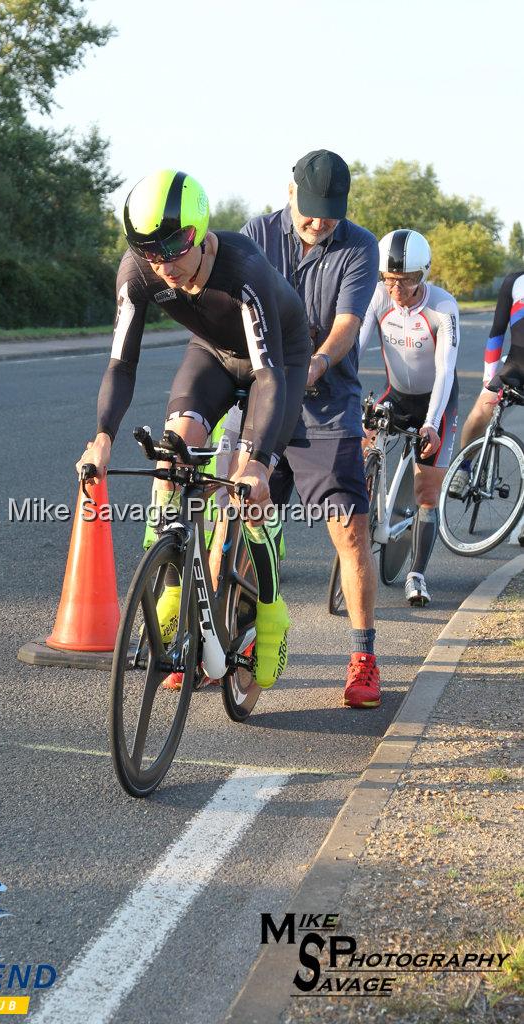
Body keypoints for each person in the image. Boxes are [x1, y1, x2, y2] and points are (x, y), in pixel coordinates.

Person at [76, 169, 311, 688]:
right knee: (171, 457)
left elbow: (269, 374)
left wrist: (255, 464)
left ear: (201, 232)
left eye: (174, 250)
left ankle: (271, 614)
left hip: (279, 364)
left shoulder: (242, 268)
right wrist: (102, 437)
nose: (164, 266)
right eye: (150, 253)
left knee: (251, 495)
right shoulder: (140, 272)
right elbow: (121, 365)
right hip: (213, 356)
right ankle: (175, 586)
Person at [242, 150, 381, 709]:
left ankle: (364, 656)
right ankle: (225, 644)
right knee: (238, 520)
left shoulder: (359, 245)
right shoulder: (257, 233)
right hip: (263, 398)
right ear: (290, 192)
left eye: (330, 212)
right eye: (311, 210)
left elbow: (347, 323)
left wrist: (316, 366)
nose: (319, 221)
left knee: (349, 530)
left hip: (326, 404)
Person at [359, 229, 460, 606]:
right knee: (360, 442)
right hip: (396, 395)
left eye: (407, 281)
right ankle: (364, 512)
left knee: (426, 493)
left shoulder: (443, 307)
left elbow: (446, 370)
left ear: (424, 276)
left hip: (436, 404)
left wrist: (432, 421)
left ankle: (416, 574)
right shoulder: (379, 297)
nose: (397, 289)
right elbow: (355, 345)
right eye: (390, 279)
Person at [448, 270, 524, 499]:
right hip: (516, 365)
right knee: (481, 411)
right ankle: (464, 468)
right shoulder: (514, 281)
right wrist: (488, 378)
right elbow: (496, 333)